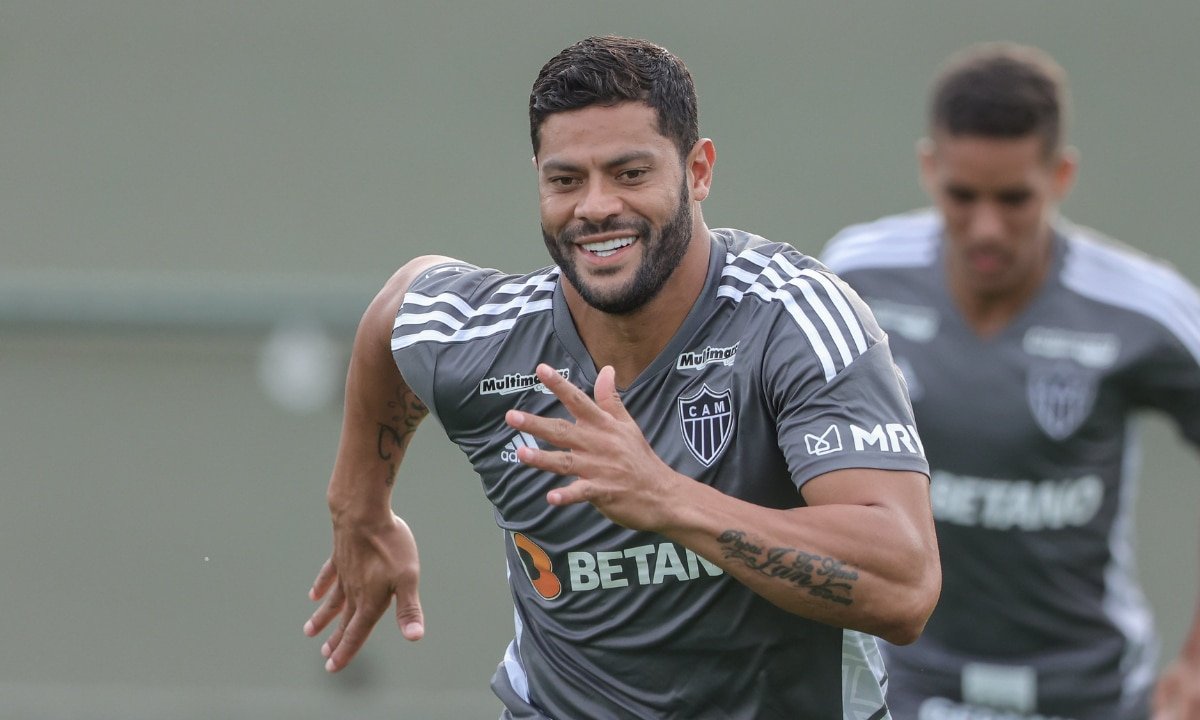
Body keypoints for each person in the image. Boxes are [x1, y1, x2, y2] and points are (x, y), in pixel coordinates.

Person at [303, 35, 941, 718]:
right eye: (565, 179)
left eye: (630, 173)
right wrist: (359, 508)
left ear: (699, 171)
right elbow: (397, 308)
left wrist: (666, 497)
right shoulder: (489, 340)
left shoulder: (791, 321)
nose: (596, 207)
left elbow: (903, 586)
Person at [820, 42, 1200, 720]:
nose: (986, 228)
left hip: (1091, 692)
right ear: (928, 168)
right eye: (962, 196)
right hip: (905, 687)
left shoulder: (1141, 308)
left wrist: (1196, 664)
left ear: (1060, 175)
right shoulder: (859, 276)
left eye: (1014, 198)